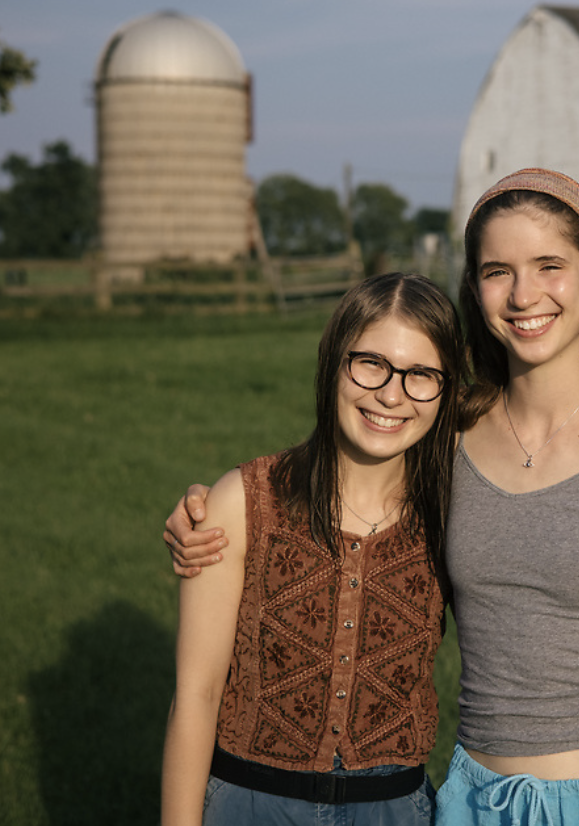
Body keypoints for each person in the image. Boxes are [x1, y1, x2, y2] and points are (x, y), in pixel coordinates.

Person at [168, 169, 579, 825]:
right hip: (472, 800)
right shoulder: (447, 437)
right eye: (497, 271)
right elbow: (337, 490)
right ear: (474, 288)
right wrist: (213, 508)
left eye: (549, 266)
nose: (523, 294)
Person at [161, 273, 464, 826]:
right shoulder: (243, 503)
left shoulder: (454, 514)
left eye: (421, 375)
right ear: (333, 364)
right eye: (370, 363)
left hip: (393, 810)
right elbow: (196, 697)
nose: (391, 394)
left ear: (446, 390)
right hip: (249, 804)